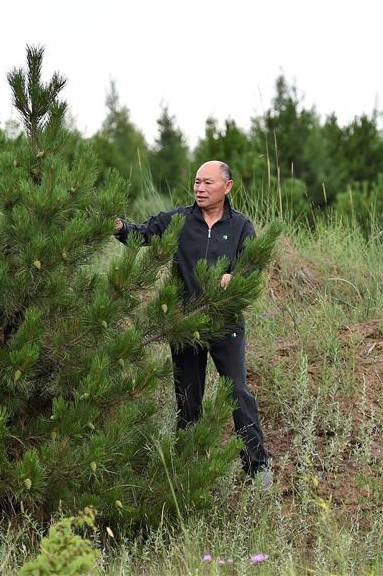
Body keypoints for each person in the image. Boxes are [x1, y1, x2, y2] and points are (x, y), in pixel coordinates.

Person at [113, 160, 272, 486]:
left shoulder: (241, 225)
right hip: (185, 324)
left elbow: (253, 266)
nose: (200, 188)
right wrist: (117, 227)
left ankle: (258, 471)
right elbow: (140, 235)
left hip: (225, 324)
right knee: (187, 400)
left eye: (208, 183)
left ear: (227, 187)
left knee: (238, 393)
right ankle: (189, 474)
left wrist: (235, 276)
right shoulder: (179, 220)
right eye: (197, 182)